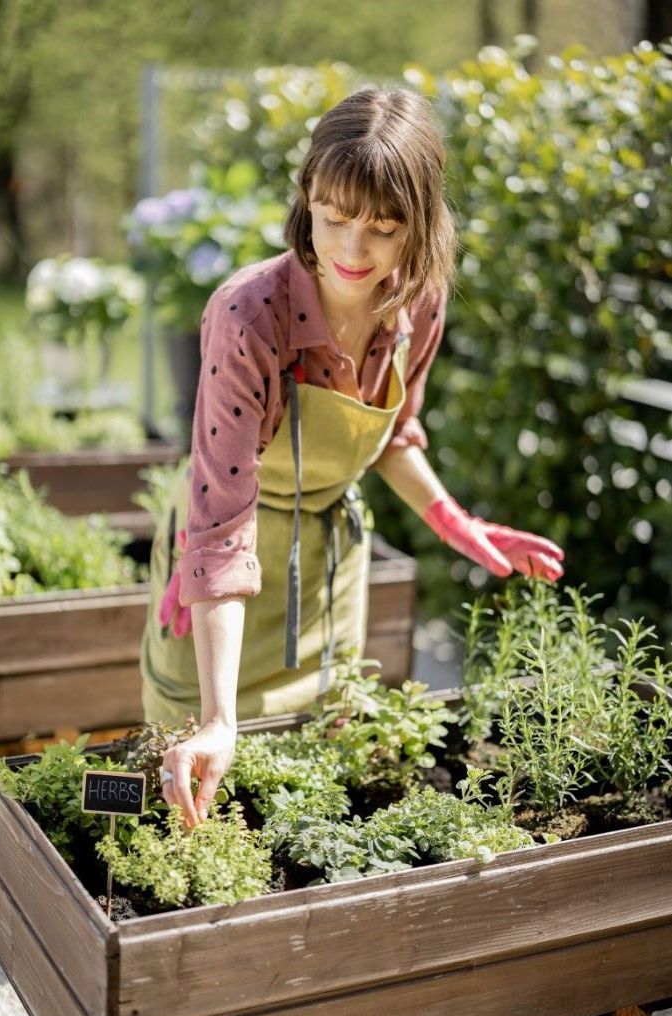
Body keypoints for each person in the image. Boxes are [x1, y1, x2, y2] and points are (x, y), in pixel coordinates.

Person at [143, 87, 565, 828]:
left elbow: (393, 432)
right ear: (306, 196)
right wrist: (216, 717)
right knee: (200, 778)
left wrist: (453, 521)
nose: (350, 250)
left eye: (382, 227)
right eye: (334, 219)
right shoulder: (249, 317)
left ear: (420, 226)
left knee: (320, 779)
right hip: (220, 574)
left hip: (331, 561)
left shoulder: (418, 301)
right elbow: (220, 529)